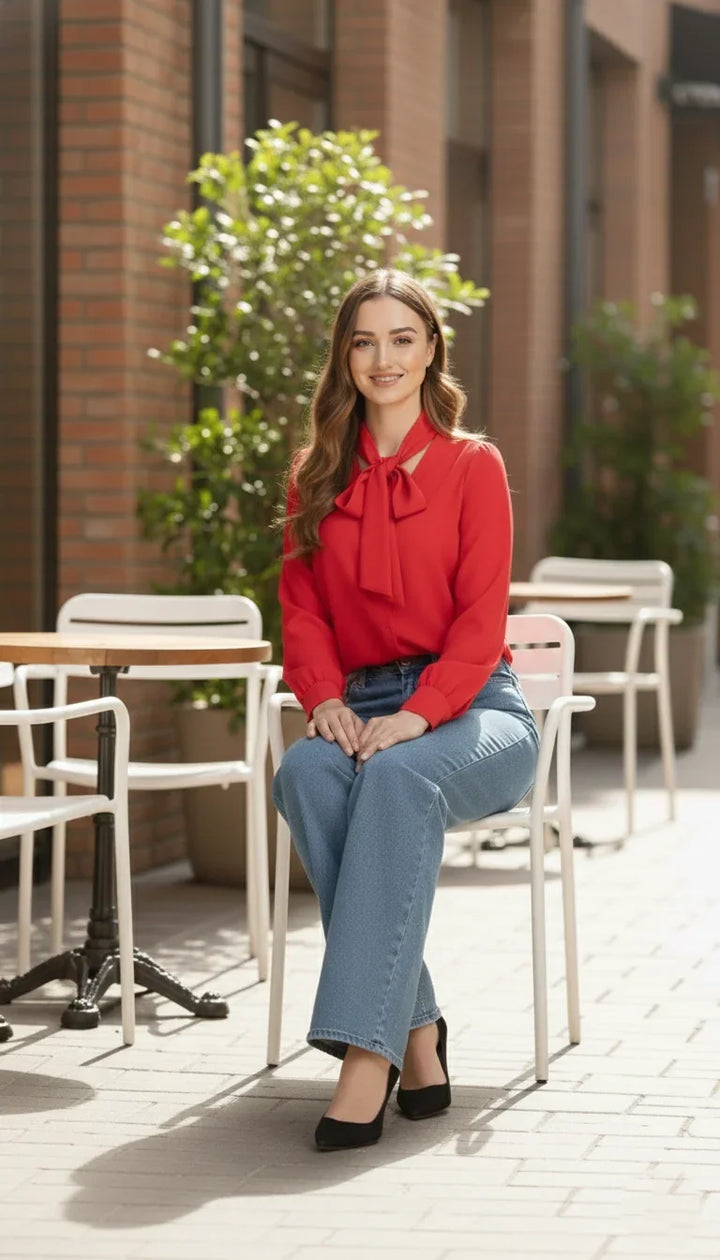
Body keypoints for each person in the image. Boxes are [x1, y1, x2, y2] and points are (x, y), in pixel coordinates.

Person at [272, 269, 539, 1152]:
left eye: (401, 339)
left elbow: (481, 622)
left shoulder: (472, 465)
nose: (382, 358)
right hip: (360, 706)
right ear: (344, 358)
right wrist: (323, 699)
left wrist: (421, 714)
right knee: (307, 774)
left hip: (476, 710)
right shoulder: (316, 474)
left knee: (395, 778)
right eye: (364, 341)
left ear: (430, 352)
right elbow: (302, 607)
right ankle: (417, 1033)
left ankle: (365, 1056)